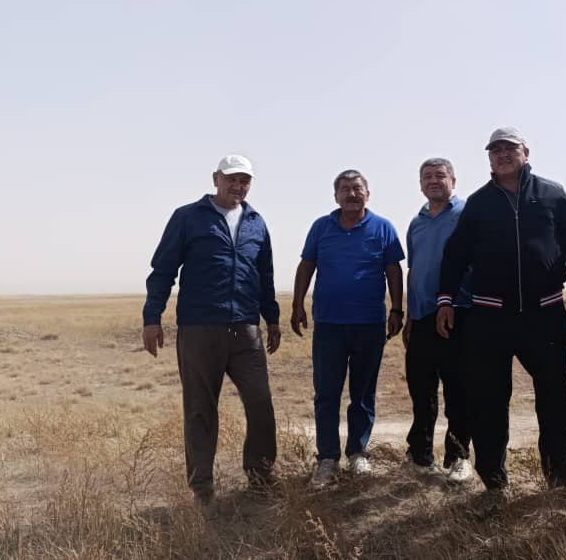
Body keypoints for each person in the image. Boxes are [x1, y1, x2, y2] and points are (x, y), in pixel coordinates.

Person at [437, 127, 566, 498]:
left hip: (545, 314)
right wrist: (445, 299)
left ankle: (560, 480)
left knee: (555, 399)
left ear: (526, 152)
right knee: (489, 402)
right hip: (489, 317)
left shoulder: (553, 194)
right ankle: (494, 484)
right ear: (489, 159)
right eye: (496, 150)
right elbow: (455, 255)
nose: (503, 154)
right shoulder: (479, 203)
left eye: (510, 148)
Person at [142, 154, 281, 519]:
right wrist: (152, 317)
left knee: (261, 403)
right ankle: (202, 488)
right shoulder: (188, 217)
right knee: (200, 409)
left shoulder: (256, 222)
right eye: (231, 179)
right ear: (216, 178)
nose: (238, 186)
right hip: (199, 328)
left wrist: (272, 318)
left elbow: (264, 275)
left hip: (246, 329)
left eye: (245, 180)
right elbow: (163, 270)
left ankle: (261, 478)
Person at [291, 169, 405, 488]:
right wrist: (297, 304)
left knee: (363, 394)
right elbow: (307, 265)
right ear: (336, 196)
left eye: (357, 188)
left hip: (369, 324)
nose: (351, 194)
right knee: (326, 393)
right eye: (345, 189)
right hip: (329, 324)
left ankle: (358, 453)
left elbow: (393, 270)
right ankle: (327, 458)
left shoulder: (383, 227)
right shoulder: (321, 227)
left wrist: (396, 309)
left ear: (367, 194)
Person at [402, 158, 473, 483]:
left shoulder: (467, 215)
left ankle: (458, 458)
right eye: (427, 177)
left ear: (453, 181)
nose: (433, 181)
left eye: (440, 175)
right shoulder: (416, 223)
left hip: (458, 314)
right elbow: (413, 270)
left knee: (458, 391)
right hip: (421, 318)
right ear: (420, 185)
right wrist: (409, 315)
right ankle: (419, 456)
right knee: (421, 392)